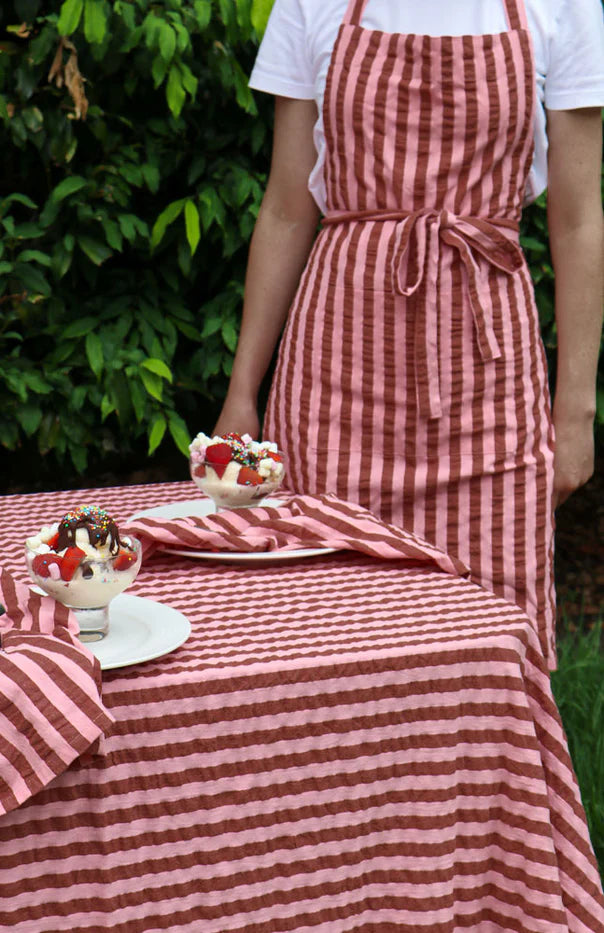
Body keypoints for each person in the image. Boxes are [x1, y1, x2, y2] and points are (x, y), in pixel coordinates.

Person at [213, 0, 604, 669]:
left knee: (491, 648)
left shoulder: (563, 5)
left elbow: (577, 220)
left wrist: (574, 411)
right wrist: (242, 390)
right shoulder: (312, 3)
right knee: (327, 638)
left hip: (490, 388)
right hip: (334, 387)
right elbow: (284, 206)